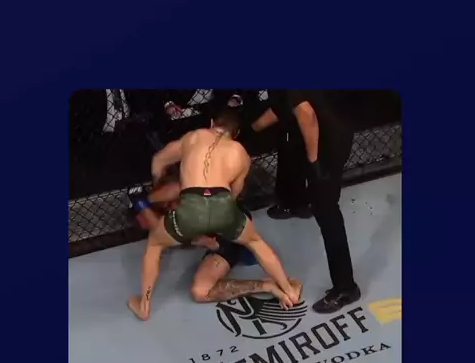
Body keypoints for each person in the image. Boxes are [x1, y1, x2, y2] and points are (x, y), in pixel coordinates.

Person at [127, 109, 301, 320]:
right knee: (257, 243)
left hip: (192, 210)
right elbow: (234, 194)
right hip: (222, 206)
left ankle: (144, 304)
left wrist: (158, 181)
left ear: (211, 123)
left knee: (155, 244)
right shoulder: (240, 154)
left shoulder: (194, 137)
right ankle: (288, 289)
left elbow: (158, 160)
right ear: (236, 134)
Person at [251, 90, 360, 314]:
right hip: (330, 130)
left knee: (327, 210)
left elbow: (306, 115)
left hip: (328, 141)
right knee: (322, 205)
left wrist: (314, 162)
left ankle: (346, 287)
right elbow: (283, 107)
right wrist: (250, 130)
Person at [130, 177, 297, 306]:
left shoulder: (181, 191)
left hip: (227, 222)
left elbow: (177, 188)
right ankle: (267, 286)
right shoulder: (165, 224)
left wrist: (145, 201)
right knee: (200, 291)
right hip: (219, 238)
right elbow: (166, 231)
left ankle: (286, 285)